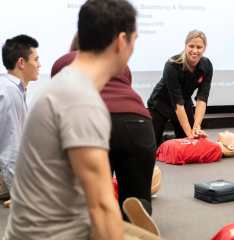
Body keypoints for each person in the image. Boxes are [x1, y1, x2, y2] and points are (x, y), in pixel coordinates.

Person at [3, 1, 161, 240]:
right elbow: (100, 209)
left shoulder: (65, 86)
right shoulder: (81, 100)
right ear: (121, 42)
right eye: (134, 40)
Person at [51, 31, 157, 220]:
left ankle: (101, 218)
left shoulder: (63, 62)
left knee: (93, 198)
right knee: (136, 198)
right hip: (138, 121)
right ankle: (135, 215)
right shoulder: (118, 62)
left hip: (94, 122)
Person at [147, 30, 213, 147]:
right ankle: (163, 139)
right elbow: (177, 101)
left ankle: (171, 140)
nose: (195, 50)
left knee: (188, 143)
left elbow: (202, 98)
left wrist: (196, 127)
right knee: (151, 146)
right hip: (160, 105)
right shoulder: (172, 65)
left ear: (204, 48)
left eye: (199, 47)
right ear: (185, 46)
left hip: (184, 103)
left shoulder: (207, 65)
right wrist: (189, 134)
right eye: (191, 46)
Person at [0, 35, 41, 208]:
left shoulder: (14, 88)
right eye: (36, 59)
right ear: (21, 63)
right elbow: (10, 148)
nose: (39, 65)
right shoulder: (9, 90)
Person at [156, 130, 234, 165]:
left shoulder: (216, 150)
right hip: (173, 147)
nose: (227, 131)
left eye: (232, 134)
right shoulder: (212, 145)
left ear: (231, 147)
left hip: (174, 149)